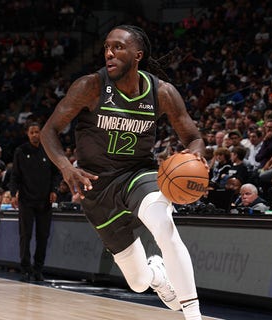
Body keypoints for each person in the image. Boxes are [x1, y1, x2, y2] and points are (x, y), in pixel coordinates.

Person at [40, 25, 204, 319]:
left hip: (137, 175)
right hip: (97, 188)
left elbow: (193, 137)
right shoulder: (90, 86)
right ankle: (156, 274)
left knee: (163, 224)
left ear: (138, 55)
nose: (109, 53)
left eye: (118, 47)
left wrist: (197, 155)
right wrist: (66, 167)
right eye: (106, 48)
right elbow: (48, 131)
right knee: (139, 282)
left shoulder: (162, 92)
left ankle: (193, 314)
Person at [9, 122, 60, 282]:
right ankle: (25, 269)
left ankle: (38, 269)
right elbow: (15, 175)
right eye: (32, 132)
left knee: (43, 236)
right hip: (26, 200)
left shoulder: (48, 149)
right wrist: (13, 193)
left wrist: (54, 190)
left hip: (44, 201)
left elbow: (55, 174)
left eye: (37, 132)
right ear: (27, 134)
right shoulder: (21, 151)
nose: (35, 135)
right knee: (26, 235)